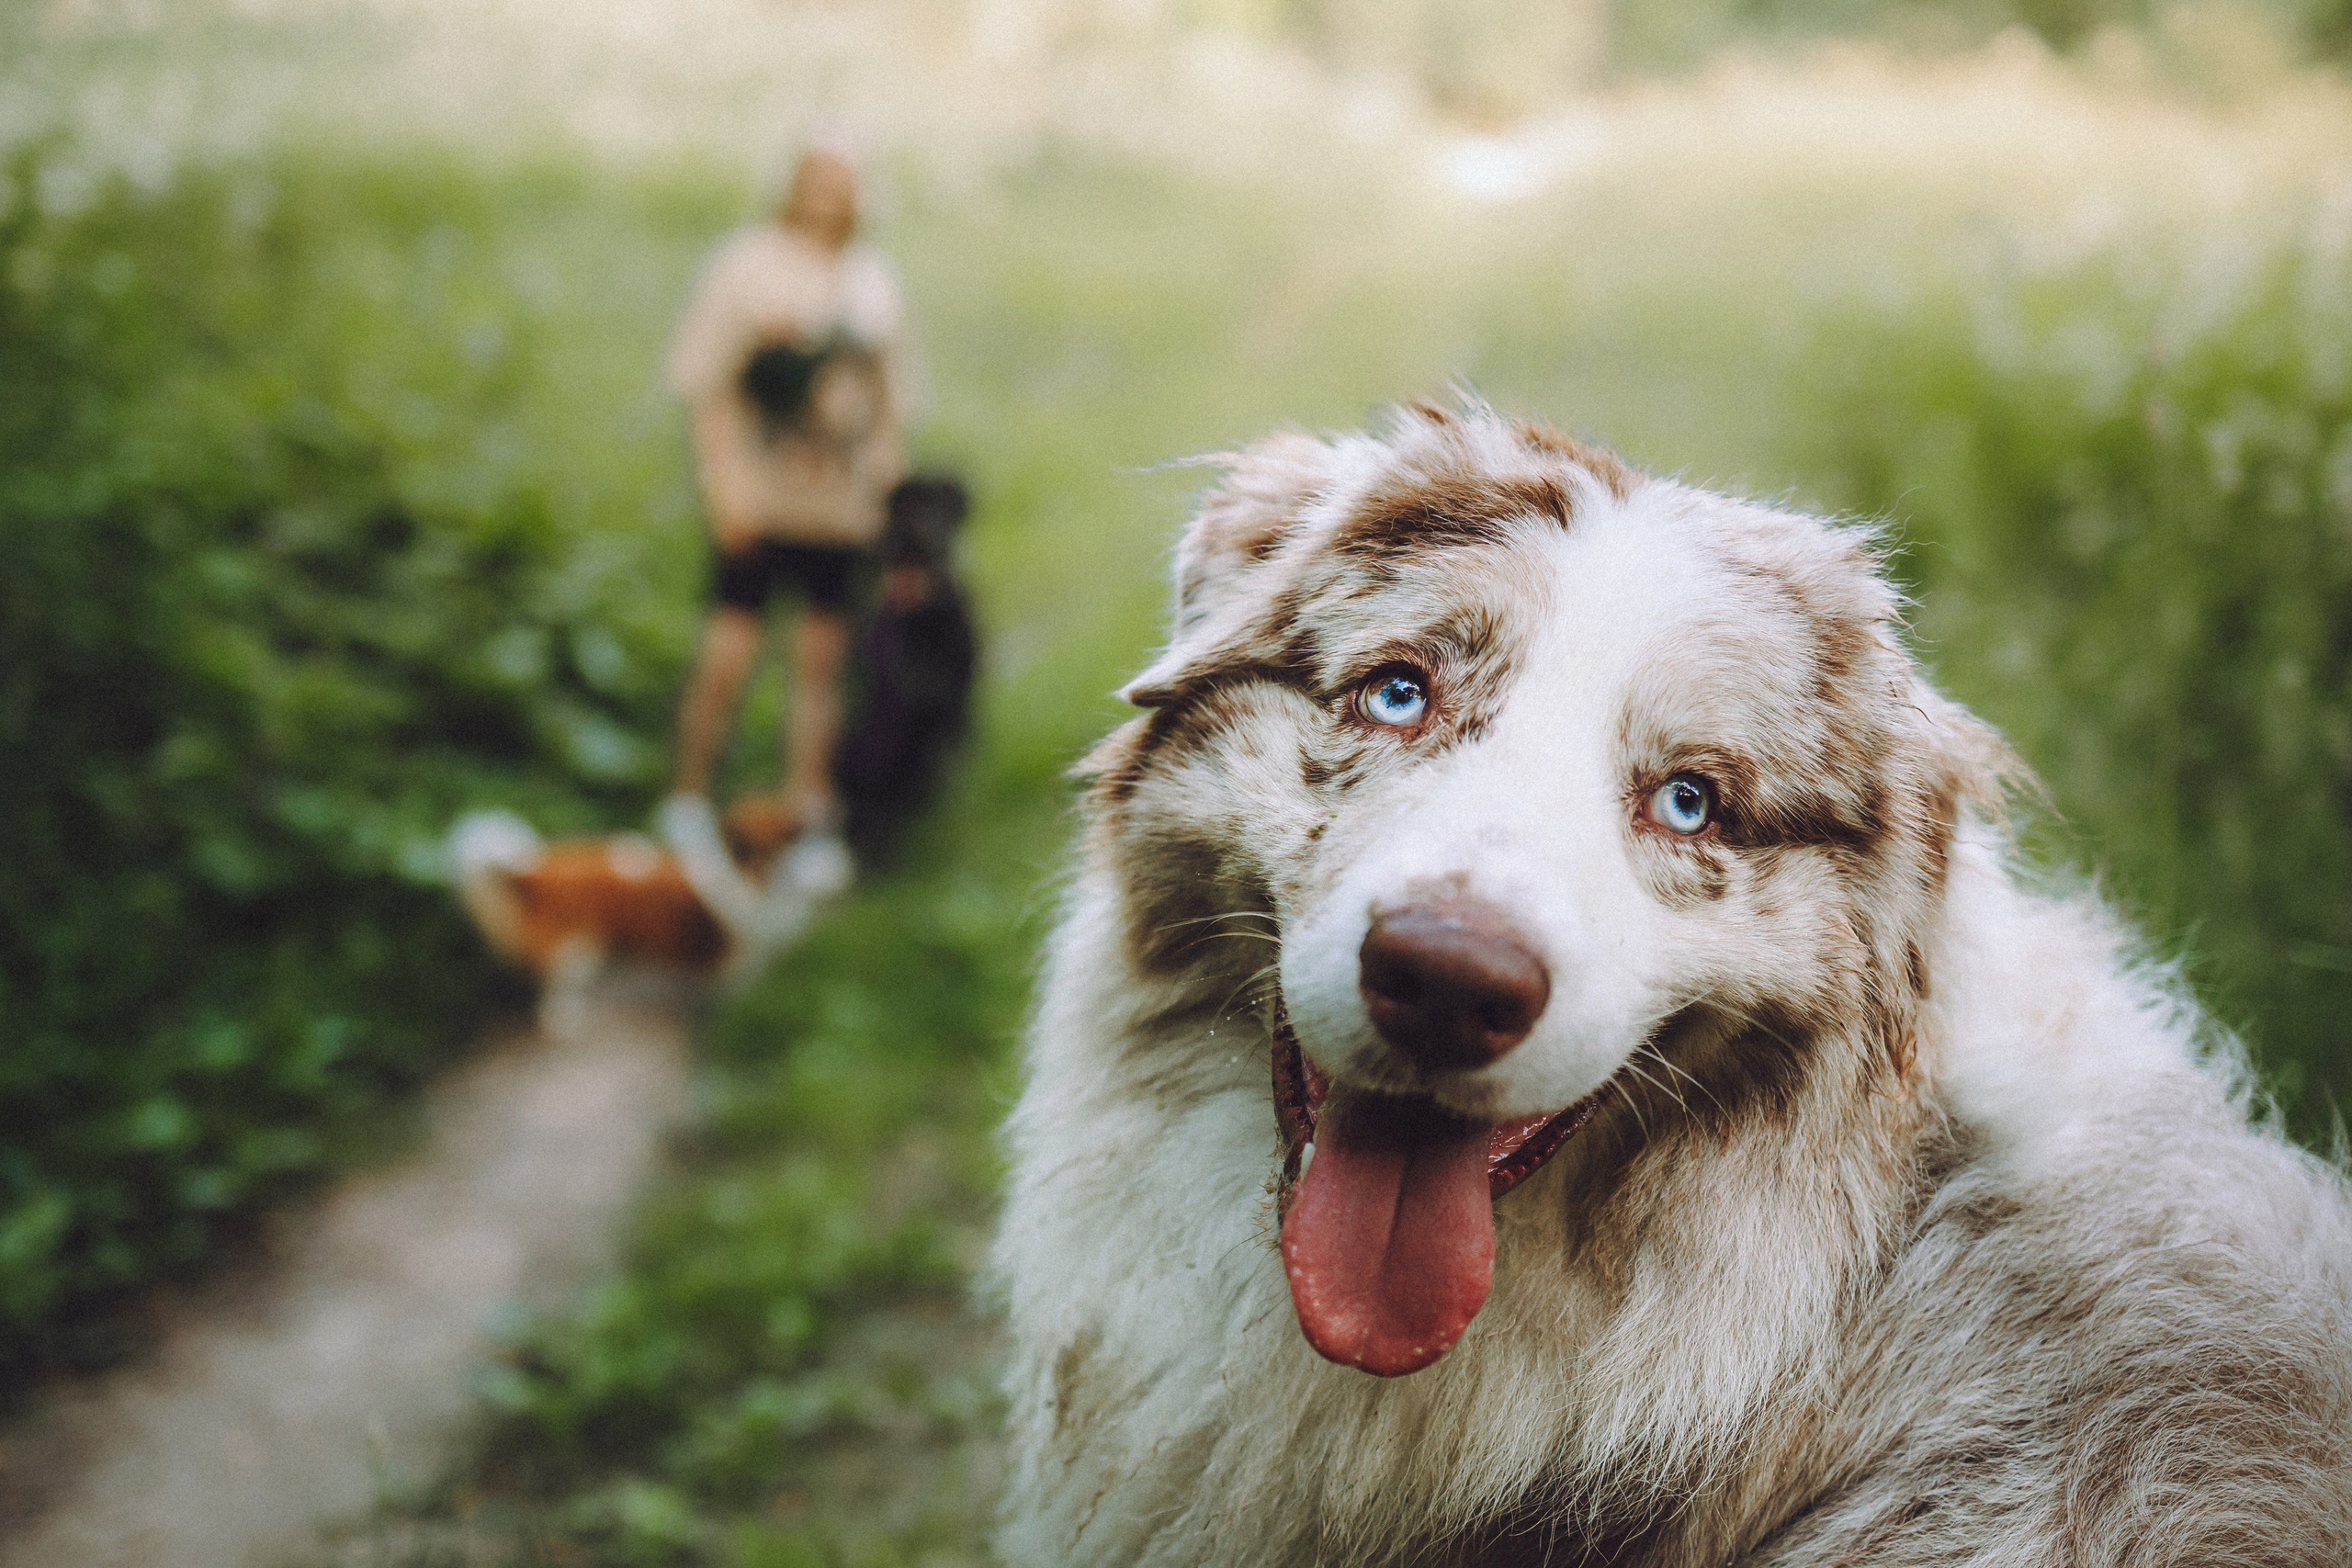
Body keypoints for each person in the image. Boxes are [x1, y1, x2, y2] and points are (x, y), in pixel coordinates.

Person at [660, 144, 910, 874]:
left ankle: (807, 812)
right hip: (762, 494)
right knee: (730, 647)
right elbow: (709, 385)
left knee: (822, 661)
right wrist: (724, 483)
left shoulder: (871, 279)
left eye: (844, 182)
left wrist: (886, 496)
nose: (829, 196)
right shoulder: (747, 264)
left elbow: (891, 403)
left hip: (839, 506)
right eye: (817, 180)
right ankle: (688, 797)